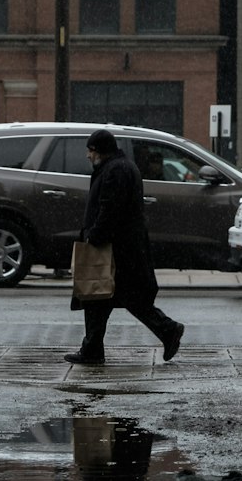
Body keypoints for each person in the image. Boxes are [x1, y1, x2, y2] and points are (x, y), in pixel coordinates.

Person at [65, 128, 184, 365]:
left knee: (110, 296)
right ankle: (93, 349)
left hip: (116, 249)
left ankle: (168, 329)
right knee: (101, 298)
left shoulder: (115, 170)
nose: (88, 156)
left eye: (90, 151)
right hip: (123, 247)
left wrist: (95, 236)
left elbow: (110, 210)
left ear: (98, 151)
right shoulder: (120, 167)